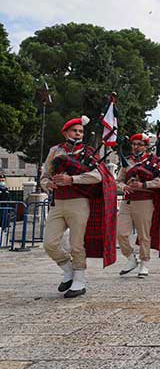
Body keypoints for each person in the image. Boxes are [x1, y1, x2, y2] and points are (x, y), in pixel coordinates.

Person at [41, 116, 117, 298]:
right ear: (65, 132)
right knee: (49, 243)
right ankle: (68, 270)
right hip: (58, 202)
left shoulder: (89, 151)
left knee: (77, 244)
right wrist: (47, 184)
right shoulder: (55, 151)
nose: (78, 133)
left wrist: (72, 179)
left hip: (79, 202)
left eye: (81, 131)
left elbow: (99, 176)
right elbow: (45, 174)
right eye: (74, 130)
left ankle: (79, 280)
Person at [116, 133, 160, 278]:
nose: (136, 147)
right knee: (121, 232)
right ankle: (131, 258)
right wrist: (123, 187)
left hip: (144, 201)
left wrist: (143, 184)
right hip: (127, 201)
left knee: (144, 234)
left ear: (146, 146)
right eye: (134, 144)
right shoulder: (127, 161)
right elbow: (118, 180)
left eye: (139, 144)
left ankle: (144, 263)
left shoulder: (153, 162)